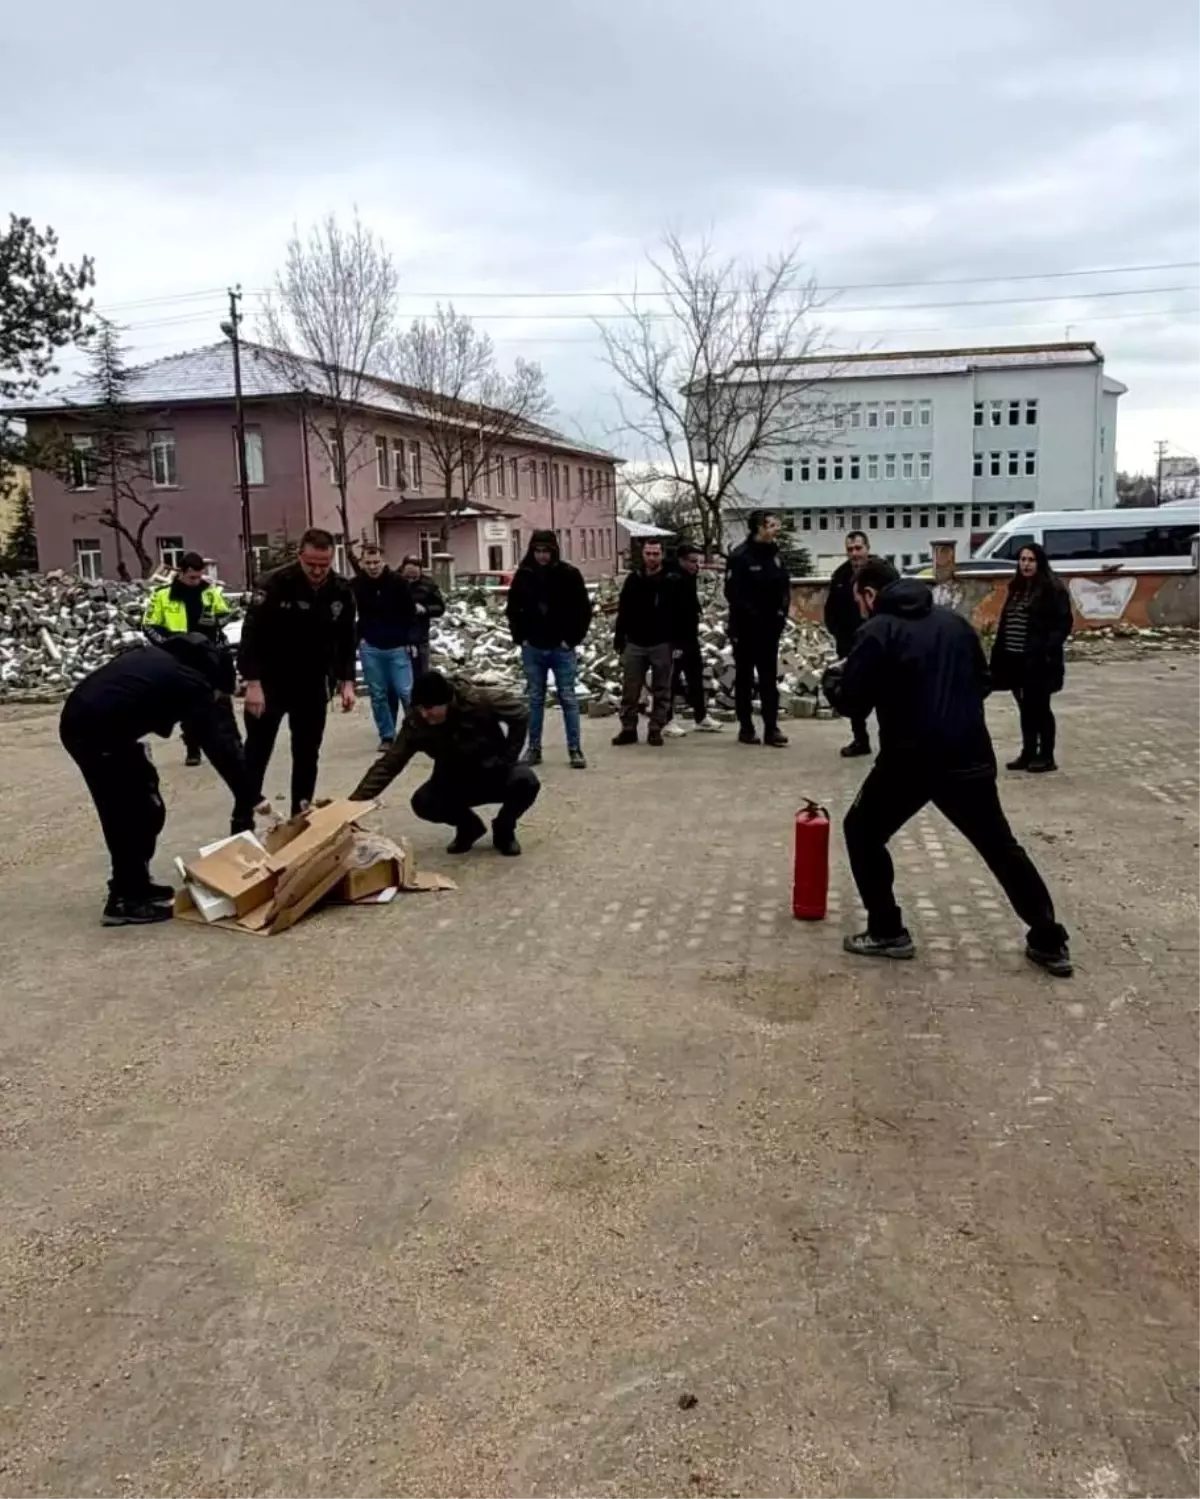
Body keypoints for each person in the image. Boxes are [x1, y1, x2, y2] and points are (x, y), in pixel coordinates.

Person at [823, 559, 1072, 977]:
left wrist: (834, 684)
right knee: (1000, 847)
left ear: (868, 595)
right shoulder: (955, 624)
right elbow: (983, 680)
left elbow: (853, 703)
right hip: (968, 754)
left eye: (859, 599)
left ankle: (887, 931)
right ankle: (1049, 939)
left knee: (861, 832)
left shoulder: (876, 631)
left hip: (909, 761)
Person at [59, 635, 255, 926]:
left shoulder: (169, 662)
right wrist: (250, 794)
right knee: (130, 811)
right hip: (93, 734)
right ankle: (125, 899)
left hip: (106, 729)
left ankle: (137, 883)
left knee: (145, 802)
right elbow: (219, 744)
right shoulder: (186, 682)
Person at [348, 670, 538, 857]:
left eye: (429, 708)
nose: (424, 714)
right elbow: (390, 764)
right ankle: (469, 827)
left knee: (526, 781)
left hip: (493, 772)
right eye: (420, 708)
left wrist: (508, 757)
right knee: (423, 802)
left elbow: (520, 714)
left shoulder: (479, 701)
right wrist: (351, 806)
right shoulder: (416, 723)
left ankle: (504, 829)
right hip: (454, 780)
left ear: (447, 702)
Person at [237, 528, 357, 817]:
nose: (317, 571)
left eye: (324, 564)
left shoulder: (340, 589)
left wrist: (347, 680)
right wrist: (252, 682)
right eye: (311, 563)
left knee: (307, 754)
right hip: (270, 681)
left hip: (313, 682)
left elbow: (346, 638)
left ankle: (299, 816)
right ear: (300, 556)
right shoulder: (275, 584)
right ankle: (242, 819)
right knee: (256, 752)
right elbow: (250, 635)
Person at [505, 529, 593, 768]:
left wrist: (571, 640)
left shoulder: (569, 575)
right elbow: (513, 609)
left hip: (561, 647)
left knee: (568, 698)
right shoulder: (524, 576)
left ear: (553, 552)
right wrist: (520, 638)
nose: (542, 556)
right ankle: (533, 748)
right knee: (534, 699)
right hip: (533, 646)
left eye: (546, 551)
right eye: (538, 551)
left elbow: (583, 611)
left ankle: (575, 749)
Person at [142, 551, 232, 766]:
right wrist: (168, 644)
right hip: (180, 656)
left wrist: (217, 622)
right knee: (188, 704)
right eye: (192, 577)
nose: (196, 581)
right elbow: (148, 625)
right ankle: (193, 747)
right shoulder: (163, 595)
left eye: (199, 577)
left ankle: (227, 745)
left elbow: (226, 613)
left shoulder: (209, 593)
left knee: (218, 701)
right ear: (181, 573)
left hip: (208, 653)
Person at [989, 543, 1073, 774]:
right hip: (1014, 659)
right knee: (1025, 708)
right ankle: (1028, 752)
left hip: (1039, 662)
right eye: (1023, 559)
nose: (1026, 564)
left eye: (1031, 560)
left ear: (1040, 562)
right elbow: (1006, 623)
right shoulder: (1016, 588)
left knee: (1040, 708)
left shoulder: (1052, 589)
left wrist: (1045, 650)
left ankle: (1046, 755)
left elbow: (1063, 624)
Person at [724, 510, 791, 747]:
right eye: (772, 525)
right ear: (759, 528)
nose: (776, 529)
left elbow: (784, 587)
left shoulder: (775, 555)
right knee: (744, 679)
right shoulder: (740, 556)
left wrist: (782, 614)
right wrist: (754, 617)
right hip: (745, 630)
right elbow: (733, 594)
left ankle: (771, 729)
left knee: (768, 680)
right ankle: (746, 728)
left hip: (770, 630)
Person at [611, 539, 679, 748]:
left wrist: (678, 642)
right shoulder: (634, 579)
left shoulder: (672, 580)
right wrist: (619, 636)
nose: (651, 558)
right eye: (648, 553)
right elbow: (624, 609)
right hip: (636, 641)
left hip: (662, 642)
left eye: (655, 554)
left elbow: (682, 613)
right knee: (630, 689)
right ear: (643, 555)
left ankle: (656, 728)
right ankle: (628, 728)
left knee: (662, 688)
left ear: (662, 555)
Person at [351, 544, 416, 751]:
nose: (372, 567)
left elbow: (410, 613)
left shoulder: (398, 583)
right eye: (368, 563)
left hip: (397, 646)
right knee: (378, 694)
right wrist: (358, 639)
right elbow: (349, 615)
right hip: (370, 646)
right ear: (362, 563)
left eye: (376, 562)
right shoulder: (356, 585)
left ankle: (414, 732)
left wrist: (410, 640)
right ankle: (387, 735)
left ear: (383, 561)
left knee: (406, 692)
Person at [663, 543, 723, 738]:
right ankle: (667, 720)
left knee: (695, 676)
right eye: (692, 561)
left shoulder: (689, 577)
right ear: (681, 560)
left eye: (698, 562)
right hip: (674, 638)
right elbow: (670, 611)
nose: (696, 566)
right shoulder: (672, 579)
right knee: (671, 679)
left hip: (690, 636)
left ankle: (701, 717)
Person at [824, 530, 873, 757]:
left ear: (867, 549)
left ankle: (895, 741)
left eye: (858, 548)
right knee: (854, 692)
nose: (854, 554)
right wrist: (840, 637)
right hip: (850, 645)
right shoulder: (841, 576)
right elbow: (831, 611)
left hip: (879, 643)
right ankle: (860, 739)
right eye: (850, 549)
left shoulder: (882, 573)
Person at [397, 555, 446, 679]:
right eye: (408, 576)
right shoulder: (395, 581)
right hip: (398, 638)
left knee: (421, 675)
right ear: (403, 570)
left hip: (420, 637)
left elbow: (440, 607)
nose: (411, 579)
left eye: (414, 576)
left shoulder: (428, 584)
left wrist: (425, 609)